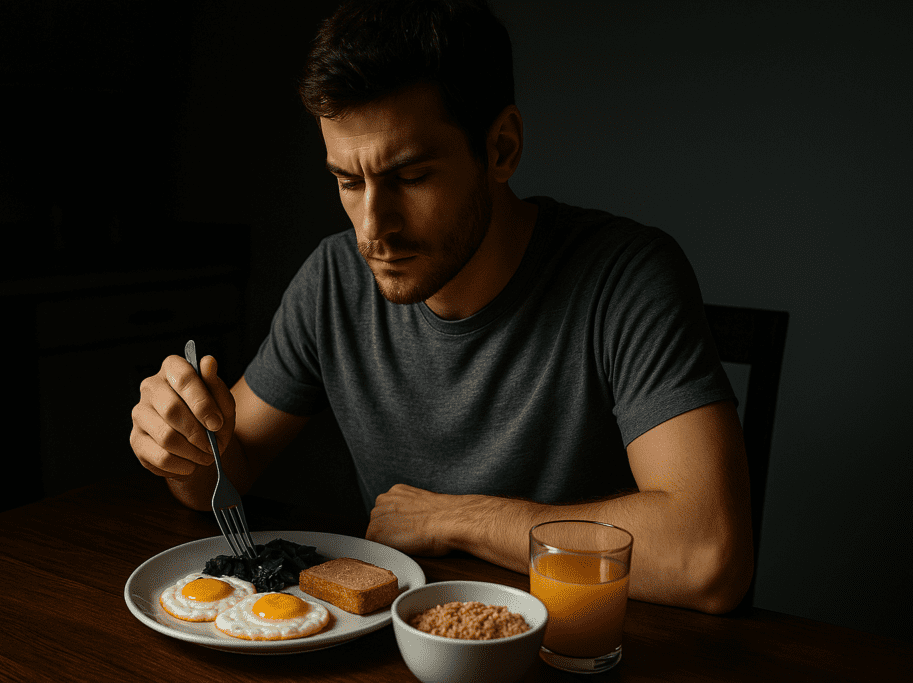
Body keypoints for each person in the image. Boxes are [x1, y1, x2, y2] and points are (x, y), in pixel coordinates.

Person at [130, 0, 753, 614]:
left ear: (501, 149)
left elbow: (707, 556)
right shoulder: (332, 278)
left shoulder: (625, 276)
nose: (374, 228)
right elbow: (229, 472)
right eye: (349, 182)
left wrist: (462, 517)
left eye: (410, 178)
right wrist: (184, 449)